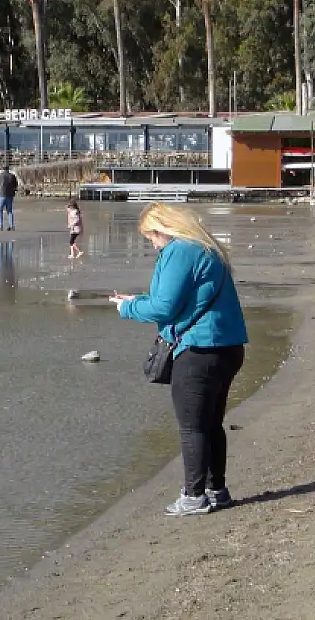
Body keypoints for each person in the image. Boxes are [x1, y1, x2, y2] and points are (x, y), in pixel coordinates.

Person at [109, 203, 249, 516]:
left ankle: (193, 497)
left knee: (192, 427)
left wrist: (127, 309)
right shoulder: (205, 247)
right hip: (228, 345)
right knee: (211, 424)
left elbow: (165, 309)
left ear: (162, 229)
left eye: (150, 237)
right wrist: (139, 300)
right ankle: (217, 490)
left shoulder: (179, 251)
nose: (152, 244)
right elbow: (181, 299)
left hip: (200, 349)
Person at [0, 166, 18, 231]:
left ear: (2, 169)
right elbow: (15, 186)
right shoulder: (12, 176)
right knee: (9, 211)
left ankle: (0, 226)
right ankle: (11, 225)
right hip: (10, 196)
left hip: (1, 195)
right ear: (8, 169)